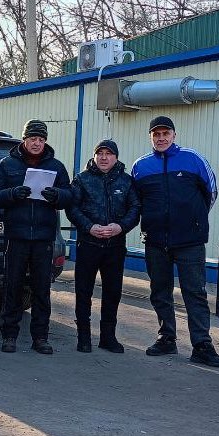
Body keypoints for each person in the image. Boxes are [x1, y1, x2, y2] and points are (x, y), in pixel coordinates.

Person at [131, 115, 219, 367]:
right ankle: (166, 338)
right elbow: (136, 202)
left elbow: (211, 193)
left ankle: (202, 344)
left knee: (195, 292)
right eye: (156, 134)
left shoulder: (193, 159)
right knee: (160, 292)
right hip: (155, 241)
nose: (161, 138)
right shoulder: (140, 166)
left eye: (165, 133)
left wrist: (193, 219)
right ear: (150, 137)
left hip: (189, 241)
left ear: (174, 135)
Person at [0, 119, 73, 355]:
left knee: (41, 290)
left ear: (45, 141)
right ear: (24, 140)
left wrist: (56, 195)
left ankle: (40, 338)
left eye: (41, 139)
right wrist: (13, 193)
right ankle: (9, 336)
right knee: (12, 287)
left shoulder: (56, 166)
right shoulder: (6, 164)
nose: (37, 143)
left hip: (44, 237)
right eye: (32, 139)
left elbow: (70, 196)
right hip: (16, 236)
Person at [67, 139, 140, 354]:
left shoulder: (126, 181)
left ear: (116, 157)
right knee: (83, 291)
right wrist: (89, 227)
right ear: (94, 156)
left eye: (109, 153)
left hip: (115, 246)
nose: (104, 157)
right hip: (88, 244)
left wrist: (121, 226)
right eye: (100, 153)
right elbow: (72, 208)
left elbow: (135, 208)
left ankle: (108, 337)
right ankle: (84, 337)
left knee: (113, 292)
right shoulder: (82, 180)